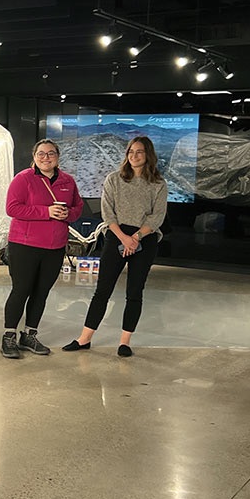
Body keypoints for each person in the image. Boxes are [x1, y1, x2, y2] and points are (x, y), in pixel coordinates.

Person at [63, 136, 167, 358]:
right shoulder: (114, 179)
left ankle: (125, 342)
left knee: (134, 292)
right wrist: (124, 238)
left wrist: (136, 237)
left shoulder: (158, 184)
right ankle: (85, 338)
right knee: (102, 290)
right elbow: (108, 213)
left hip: (145, 239)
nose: (134, 155)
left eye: (139, 151)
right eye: (131, 151)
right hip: (116, 236)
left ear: (148, 155)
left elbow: (157, 216)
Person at [1, 139, 83, 358]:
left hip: (55, 247)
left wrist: (69, 215)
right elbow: (12, 208)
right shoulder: (23, 179)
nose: (46, 158)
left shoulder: (68, 181)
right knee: (21, 290)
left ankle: (29, 335)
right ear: (34, 156)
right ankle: (8, 337)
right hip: (24, 245)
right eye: (41, 154)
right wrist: (46, 212)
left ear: (58, 156)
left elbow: (78, 207)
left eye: (51, 154)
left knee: (41, 292)